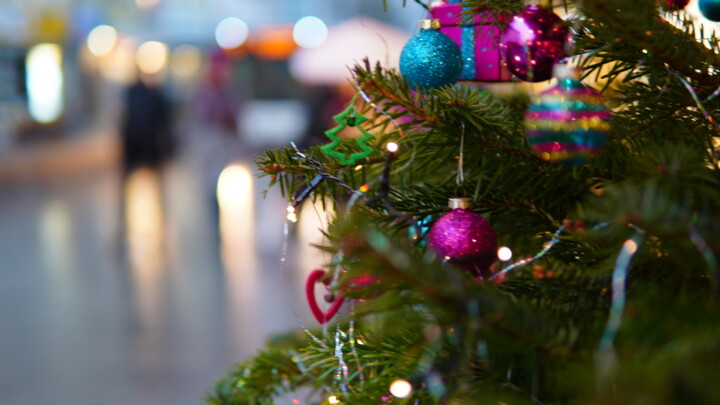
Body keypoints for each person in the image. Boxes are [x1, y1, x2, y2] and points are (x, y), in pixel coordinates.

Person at [120, 76, 174, 174]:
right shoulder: (132, 94)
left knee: (153, 172)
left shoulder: (148, 95)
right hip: (139, 140)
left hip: (145, 140)